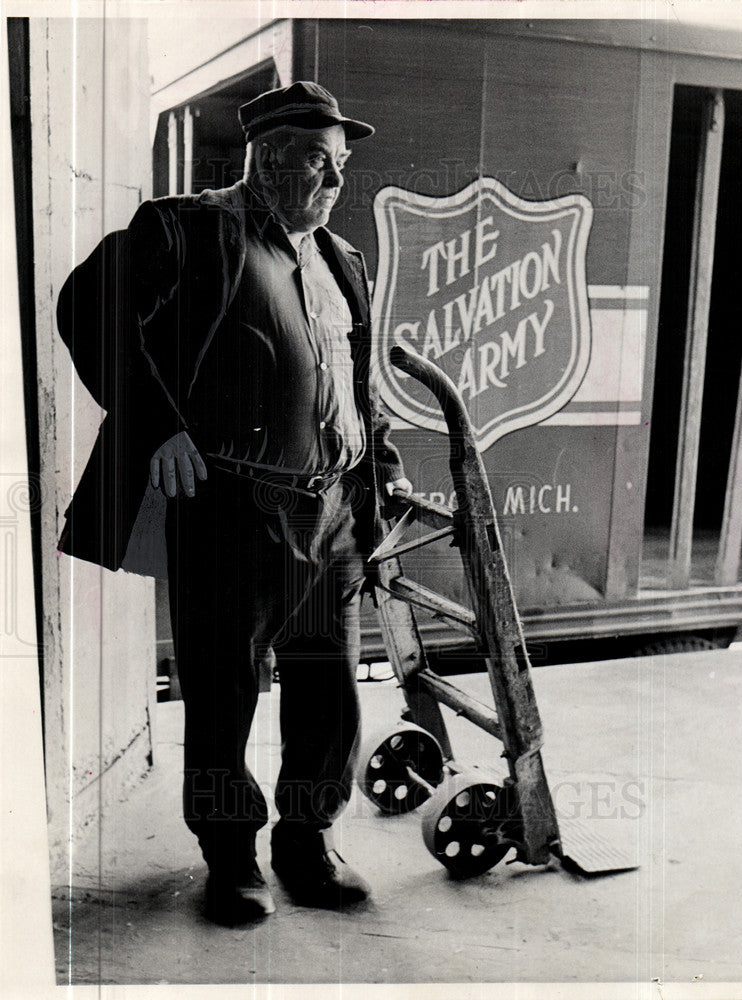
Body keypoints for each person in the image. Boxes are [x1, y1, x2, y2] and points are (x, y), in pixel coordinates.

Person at [57, 81, 412, 926]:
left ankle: (307, 841)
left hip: (330, 512)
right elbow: (89, 310)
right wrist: (158, 428)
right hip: (231, 508)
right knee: (223, 691)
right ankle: (230, 859)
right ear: (270, 159)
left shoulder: (341, 257)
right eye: (318, 164)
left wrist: (381, 467)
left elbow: (355, 383)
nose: (333, 184)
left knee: (327, 685)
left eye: (340, 167)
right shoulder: (187, 227)